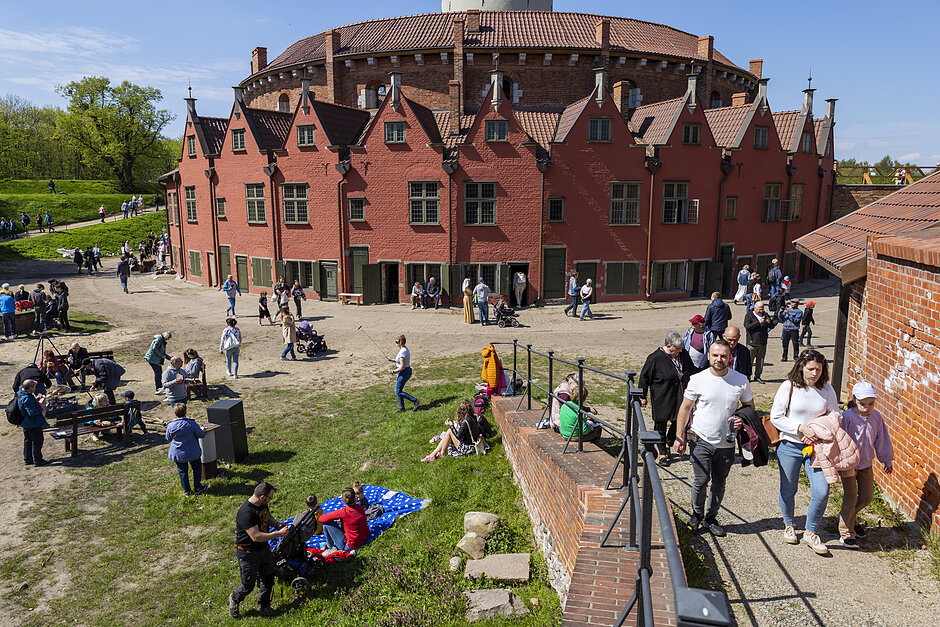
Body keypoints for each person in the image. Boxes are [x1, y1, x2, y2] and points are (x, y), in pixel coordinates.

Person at [674, 339, 754, 536]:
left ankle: (711, 518)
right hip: (701, 440)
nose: (719, 359)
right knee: (701, 480)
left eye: (723, 356)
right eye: (715, 355)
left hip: (726, 443)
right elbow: (685, 408)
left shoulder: (741, 380)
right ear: (708, 356)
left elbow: (750, 408)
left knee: (720, 481)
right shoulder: (698, 379)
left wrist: (740, 419)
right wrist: (679, 436)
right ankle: (696, 514)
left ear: (730, 357)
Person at [769, 348, 840, 556]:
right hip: (790, 445)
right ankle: (789, 525)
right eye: (810, 369)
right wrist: (801, 429)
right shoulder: (788, 387)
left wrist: (816, 430)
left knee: (821, 491)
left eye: (818, 369)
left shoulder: (827, 389)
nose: (814, 373)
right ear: (801, 367)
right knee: (789, 488)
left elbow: (835, 415)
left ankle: (810, 532)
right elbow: (776, 417)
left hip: (817, 447)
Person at [839, 381, 895, 549]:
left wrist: (886, 459)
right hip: (849, 464)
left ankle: (850, 517)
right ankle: (846, 533)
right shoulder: (847, 417)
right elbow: (840, 440)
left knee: (867, 497)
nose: (867, 407)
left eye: (871, 404)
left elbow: (881, 438)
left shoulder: (876, 417)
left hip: (866, 464)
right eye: (863, 404)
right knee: (850, 497)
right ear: (854, 399)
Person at [229, 482, 289, 619]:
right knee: (248, 585)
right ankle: (234, 598)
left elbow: (267, 517)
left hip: (264, 549)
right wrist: (278, 534)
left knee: (268, 579)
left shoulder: (262, 504)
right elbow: (256, 537)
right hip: (248, 553)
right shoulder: (246, 513)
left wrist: (276, 524)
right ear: (262, 497)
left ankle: (265, 606)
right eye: (270, 497)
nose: (271, 500)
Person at [639, 332, 695, 466]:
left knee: (680, 420)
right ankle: (663, 453)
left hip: (680, 395)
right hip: (662, 396)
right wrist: (642, 396)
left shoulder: (683, 354)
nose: (680, 351)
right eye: (677, 349)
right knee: (661, 424)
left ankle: (669, 442)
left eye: (681, 348)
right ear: (669, 346)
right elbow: (644, 377)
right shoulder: (655, 358)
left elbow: (692, 370)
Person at [422, 399, 489, 460]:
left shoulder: (465, 421)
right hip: (473, 443)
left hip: (467, 448)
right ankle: (436, 454)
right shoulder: (474, 417)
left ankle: (439, 454)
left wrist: (451, 425)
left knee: (449, 431)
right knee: (447, 435)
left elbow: (458, 436)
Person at [166, 403, 206, 495]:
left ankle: (187, 491)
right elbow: (201, 434)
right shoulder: (191, 424)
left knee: (182, 471)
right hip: (192, 451)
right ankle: (198, 487)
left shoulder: (171, 426)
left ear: (175, 414)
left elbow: (168, 438)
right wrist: (202, 429)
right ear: (185, 412)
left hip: (178, 453)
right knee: (196, 468)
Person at [317, 487, 370, 556]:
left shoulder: (344, 512)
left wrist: (333, 518)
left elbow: (321, 518)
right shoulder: (360, 507)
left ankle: (330, 546)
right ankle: (331, 545)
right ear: (355, 498)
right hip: (364, 537)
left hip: (349, 545)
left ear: (342, 500)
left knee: (326, 524)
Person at [17, 380, 49, 467]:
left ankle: (28, 459)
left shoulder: (21, 394)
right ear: (30, 387)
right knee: (37, 441)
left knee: (28, 440)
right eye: (34, 387)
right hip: (32, 423)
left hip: (25, 423)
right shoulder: (27, 398)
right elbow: (31, 412)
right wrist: (42, 408)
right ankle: (38, 460)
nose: (35, 388)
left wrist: (36, 400)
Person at [743, 301, 775, 384]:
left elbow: (772, 326)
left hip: (762, 342)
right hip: (752, 342)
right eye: (760, 309)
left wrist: (770, 322)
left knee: (760, 361)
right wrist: (758, 322)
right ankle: (747, 376)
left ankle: (758, 376)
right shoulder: (749, 315)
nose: (761, 311)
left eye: (762, 309)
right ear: (755, 308)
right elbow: (747, 326)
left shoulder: (765, 315)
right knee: (749, 361)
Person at [387, 334, 419, 413]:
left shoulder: (403, 352)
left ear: (401, 342)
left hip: (404, 372)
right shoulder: (403, 349)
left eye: (397, 341)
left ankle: (415, 401)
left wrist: (393, 371)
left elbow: (402, 367)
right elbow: (399, 360)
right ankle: (402, 408)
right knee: (399, 390)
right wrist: (392, 360)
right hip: (403, 372)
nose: (396, 343)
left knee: (398, 391)